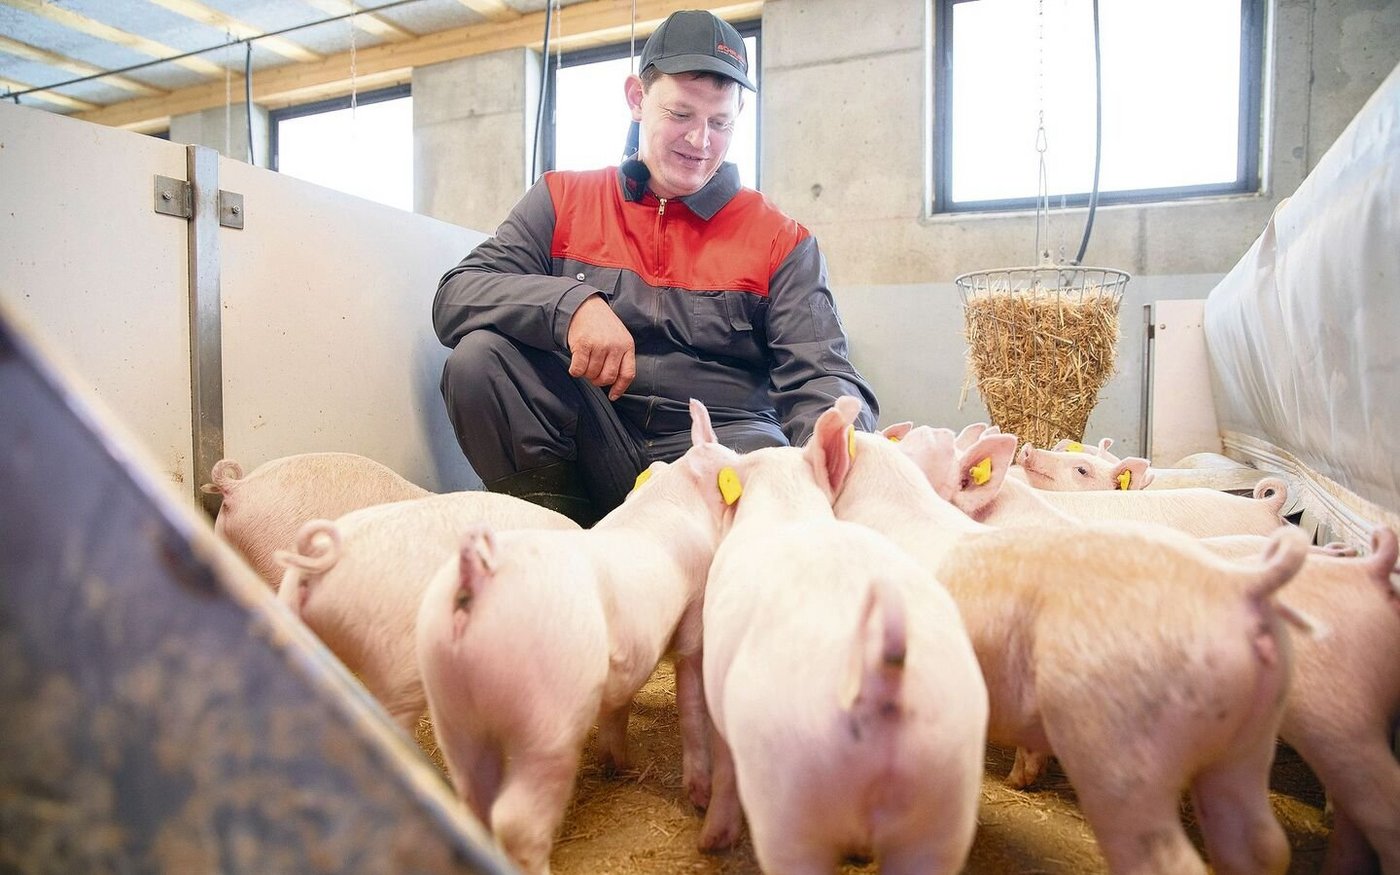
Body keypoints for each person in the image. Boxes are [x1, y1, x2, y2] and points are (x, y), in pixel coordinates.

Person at [432, 8, 879, 526]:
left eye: (720, 122)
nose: (700, 141)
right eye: (681, 114)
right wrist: (570, 306)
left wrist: (841, 455)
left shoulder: (782, 239)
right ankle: (558, 533)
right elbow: (456, 295)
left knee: (773, 459)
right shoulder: (561, 199)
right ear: (637, 99)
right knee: (479, 359)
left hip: (724, 457)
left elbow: (822, 375)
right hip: (597, 449)